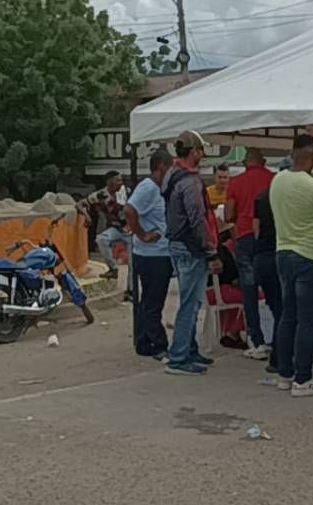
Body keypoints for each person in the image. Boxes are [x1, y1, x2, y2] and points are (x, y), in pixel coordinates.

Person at [270, 134, 313, 398]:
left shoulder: (277, 180)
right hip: (310, 256)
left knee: (288, 316)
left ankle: (284, 374)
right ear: (312, 156)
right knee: (308, 321)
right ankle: (303, 379)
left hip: (283, 252)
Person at [163, 131, 222, 376]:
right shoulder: (190, 182)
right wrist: (211, 252)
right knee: (190, 304)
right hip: (190, 247)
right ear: (194, 152)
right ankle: (178, 357)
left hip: (178, 244)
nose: (203, 155)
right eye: (201, 150)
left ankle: (190, 349)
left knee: (193, 301)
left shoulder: (172, 175)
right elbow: (197, 219)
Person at [224, 148, 277, 360]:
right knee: (275, 290)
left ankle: (257, 340)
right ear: (263, 161)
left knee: (250, 291)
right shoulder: (274, 179)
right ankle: (281, 338)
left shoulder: (236, 183)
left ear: (246, 163)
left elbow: (228, 213)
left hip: (245, 238)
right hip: (270, 238)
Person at [125, 150, 174, 361]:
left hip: (159, 253)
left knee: (149, 301)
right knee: (154, 302)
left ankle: (144, 341)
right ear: (162, 166)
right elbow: (129, 210)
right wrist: (142, 234)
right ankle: (158, 344)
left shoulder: (160, 189)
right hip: (152, 255)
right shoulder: (148, 188)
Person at [252, 161, 288, 374]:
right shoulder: (289, 198)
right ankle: (279, 358)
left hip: (261, 257)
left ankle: (278, 355)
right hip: (281, 254)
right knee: (284, 310)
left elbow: (256, 230)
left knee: (277, 308)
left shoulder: (262, 197)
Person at [77, 171, 129, 281]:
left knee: (133, 263)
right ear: (110, 182)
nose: (121, 182)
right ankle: (113, 268)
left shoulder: (126, 191)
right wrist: (86, 215)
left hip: (132, 229)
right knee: (101, 239)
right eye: (118, 180)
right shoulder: (101, 195)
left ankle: (130, 291)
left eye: (121, 180)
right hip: (117, 228)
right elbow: (80, 204)